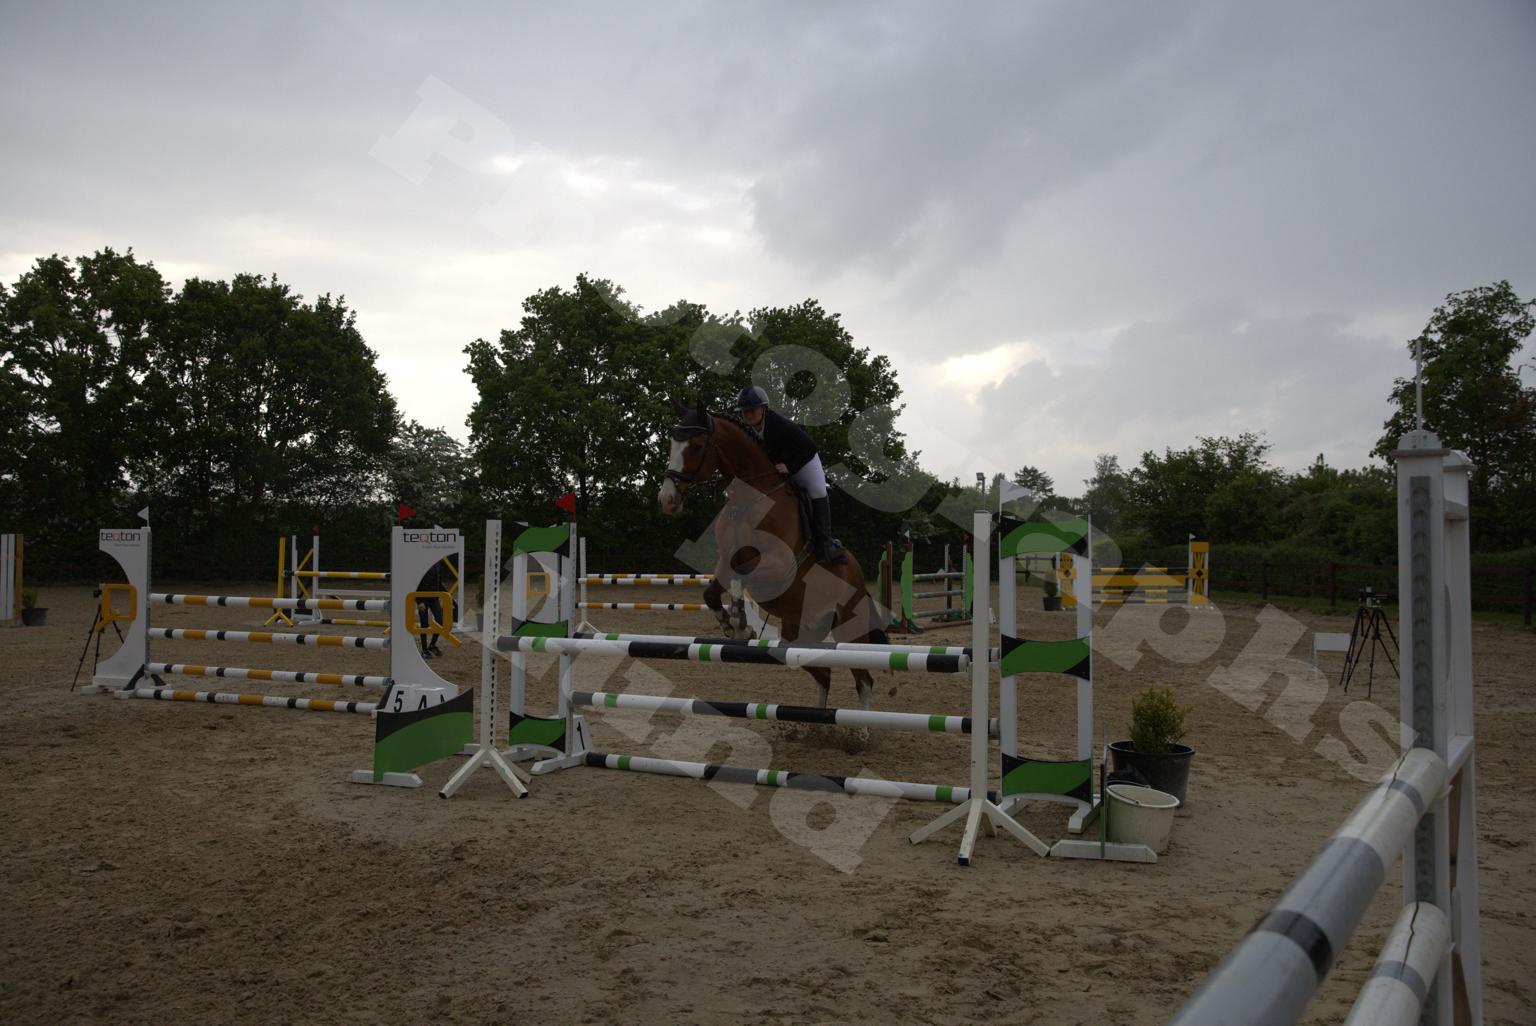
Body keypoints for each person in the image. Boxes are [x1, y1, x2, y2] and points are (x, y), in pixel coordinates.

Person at [734, 385, 844, 563]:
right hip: (779, 466)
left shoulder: (779, 424)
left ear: (763, 409)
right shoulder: (748, 431)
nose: (748, 414)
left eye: (752, 410)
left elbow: (809, 447)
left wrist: (790, 467)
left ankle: (825, 546)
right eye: (744, 411)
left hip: (804, 461)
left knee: (818, 492)